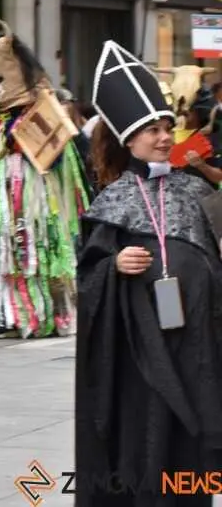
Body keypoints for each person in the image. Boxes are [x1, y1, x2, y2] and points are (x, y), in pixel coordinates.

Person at [75, 40, 222, 505]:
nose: (163, 138)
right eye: (152, 130)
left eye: (166, 128)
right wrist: (115, 266)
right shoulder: (111, 201)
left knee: (191, 450)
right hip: (139, 356)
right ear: (129, 139)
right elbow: (88, 277)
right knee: (146, 439)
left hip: (194, 346)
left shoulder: (194, 191)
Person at [0, 31, 88, 338]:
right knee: (1, 254)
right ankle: (3, 311)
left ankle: (36, 313)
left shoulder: (41, 110)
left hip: (34, 200)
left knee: (31, 253)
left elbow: (57, 158)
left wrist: (25, 143)